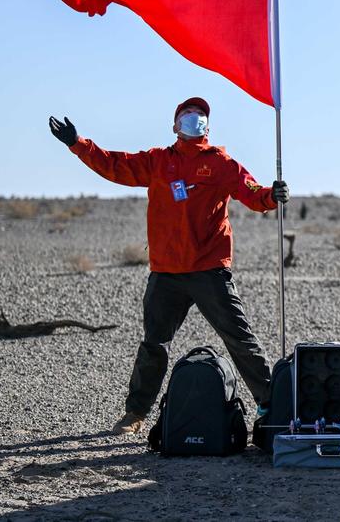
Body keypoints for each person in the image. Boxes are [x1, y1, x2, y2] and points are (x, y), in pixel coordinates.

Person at [48, 98, 287, 435]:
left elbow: (251, 192)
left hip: (208, 270)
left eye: (201, 115)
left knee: (239, 338)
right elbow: (115, 165)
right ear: (175, 126)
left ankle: (272, 405)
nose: (195, 119)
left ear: (208, 125)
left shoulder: (220, 163)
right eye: (187, 115)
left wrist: (271, 196)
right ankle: (135, 414)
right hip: (166, 273)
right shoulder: (158, 161)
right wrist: (77, 143)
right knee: (154, 344)